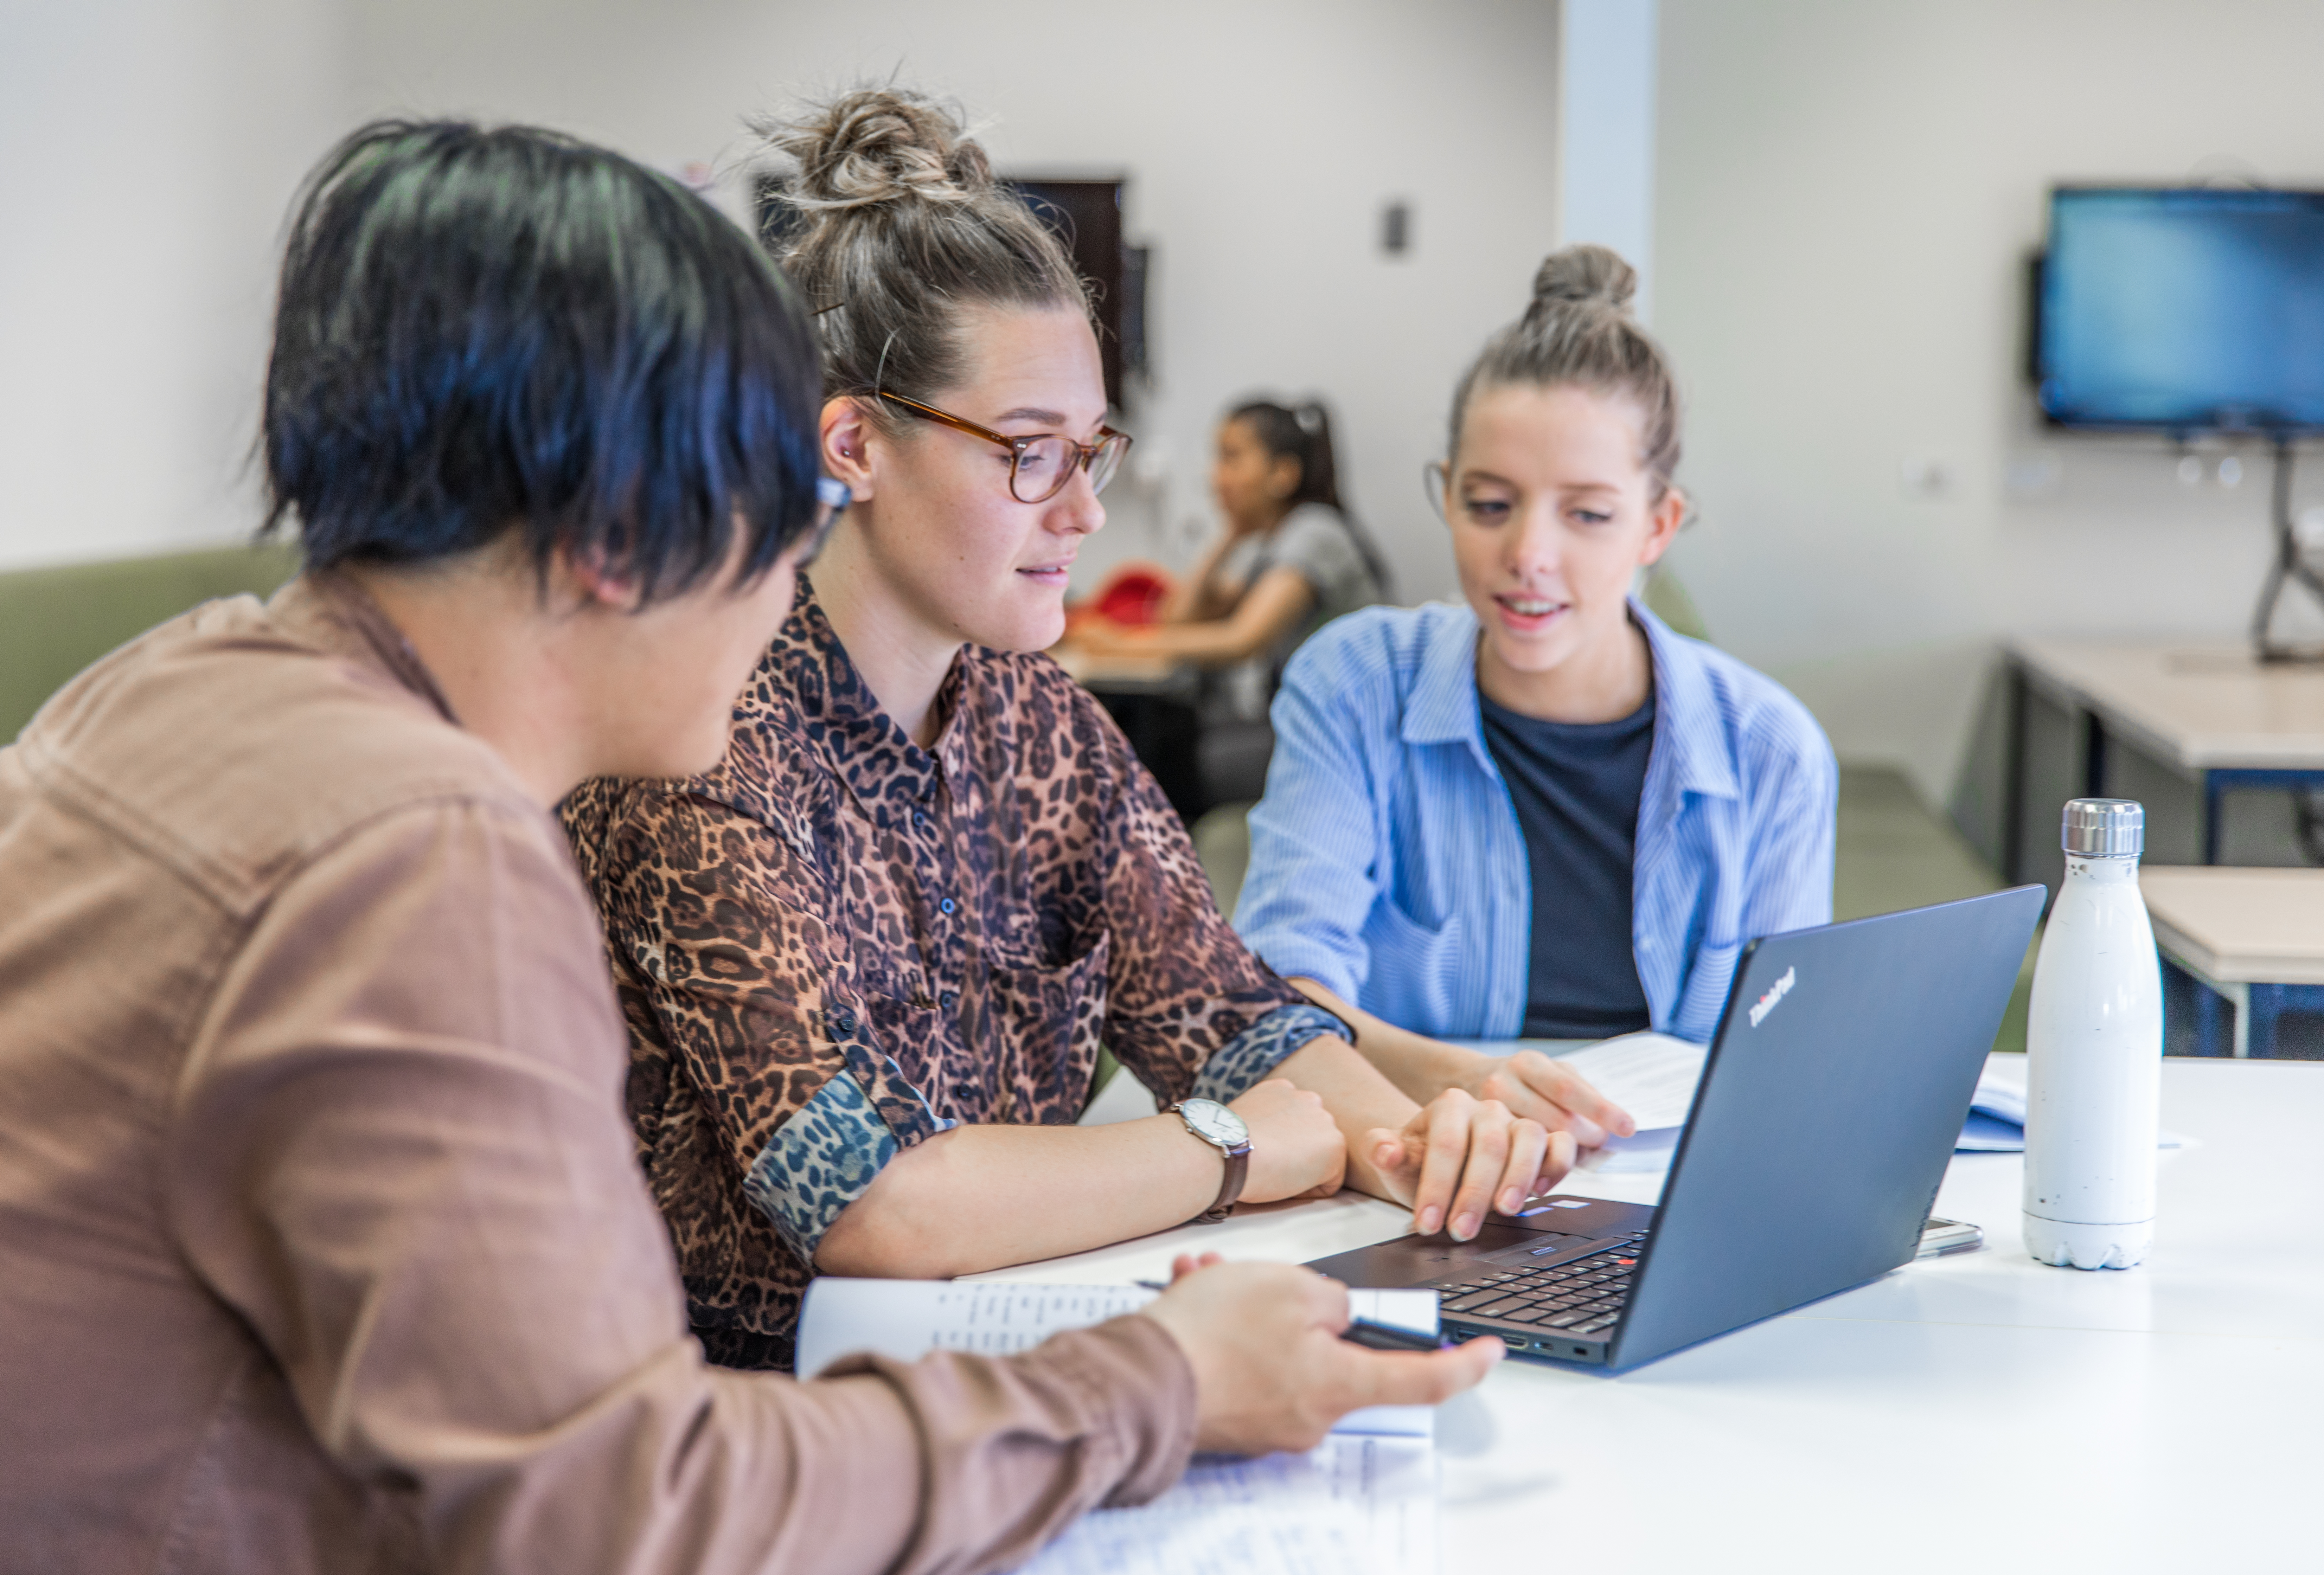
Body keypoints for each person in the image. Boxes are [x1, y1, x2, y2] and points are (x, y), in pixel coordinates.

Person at [0, 119, 1502, 1575]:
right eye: (770, 505)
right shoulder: (418, 855)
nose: (786, 572)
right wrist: (1150, 1381)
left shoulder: (164, 690)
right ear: (613, 525)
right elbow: (626, 1513)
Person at [561, 85, 1575, 1377]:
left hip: (998, 1378)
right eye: (1029, 455)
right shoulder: (703, 741)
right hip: (741, 1428)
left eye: (1091, 453)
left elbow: (1235, 1018)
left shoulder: (1041, 725)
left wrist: (1416, 1147)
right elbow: (876, 1204)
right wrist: (1230, 1146)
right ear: (854, 443)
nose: (1084, 512)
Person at [1233, 245, 1836, 1140]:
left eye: (1588, 514)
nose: (1529, 555)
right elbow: (1278, 992)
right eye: (1489, 505)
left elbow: (1784, 1058)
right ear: (1447, 496)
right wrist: (1463, 1082)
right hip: (1409, 1161)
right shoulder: (1354, 684)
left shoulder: (1771, 750)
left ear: (1658, 524)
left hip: (1664, 1194)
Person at [1074, 399, 1388, 814]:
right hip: (1298, 722)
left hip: (1342, 740)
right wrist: (1231, 533)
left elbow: (1242, 640)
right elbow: (1179, 617)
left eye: (1231, 457)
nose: (1215, 475)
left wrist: (1117, 646)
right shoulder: (1272, 542)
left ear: (1284, 475)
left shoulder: (1314, 532)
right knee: (1165, 732)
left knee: (1171, 759)